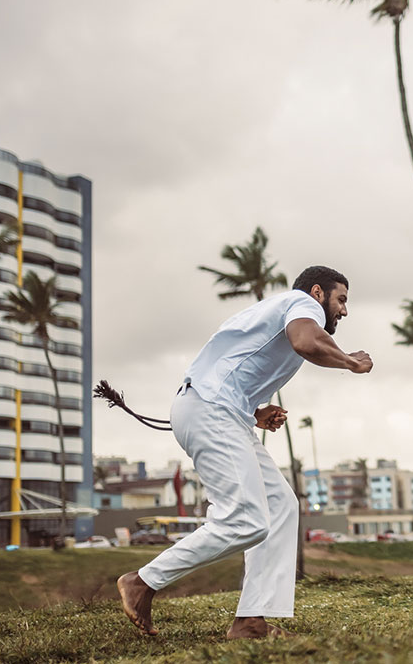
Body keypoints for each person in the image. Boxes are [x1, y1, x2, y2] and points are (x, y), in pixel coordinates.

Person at [116, 266, 373, 638]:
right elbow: (305, 342)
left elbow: (230, 368)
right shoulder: (303, 304)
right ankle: (143, 581)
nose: (344, 311)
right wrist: (350, 361)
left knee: (281, 506)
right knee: (247, 519)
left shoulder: (277, 309)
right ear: (319, 292)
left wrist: (256, 413)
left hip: (217, 410)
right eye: (342, 300)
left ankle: (252, 619)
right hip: (210, 411)